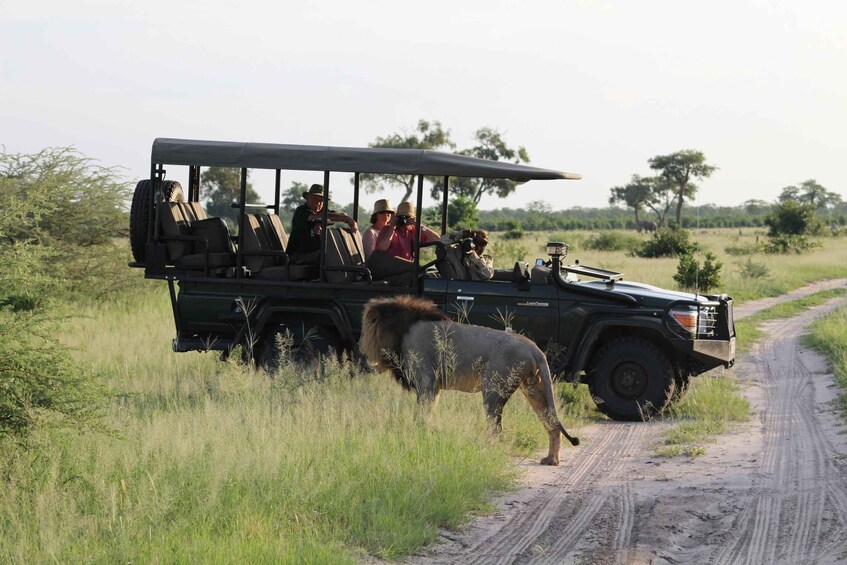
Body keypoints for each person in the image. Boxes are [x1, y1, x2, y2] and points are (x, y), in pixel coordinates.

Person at [366, 201, 440, 284]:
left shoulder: (413, 231)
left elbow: (437, 239)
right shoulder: (387, 229)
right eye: (400, 217)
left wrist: (420, 226)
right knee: (417, 268)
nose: (403, 220)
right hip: (383, 270)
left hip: (400, 273)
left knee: (422, 275)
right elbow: (381, 248)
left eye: (406, 217)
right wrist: (392, 227)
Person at [286, 184, 357, 264]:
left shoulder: (321, 213)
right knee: (329, 255)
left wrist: (347, 219)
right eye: (315, 199)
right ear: (308, 198)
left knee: (339, 251)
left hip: (313, 253)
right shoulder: (301, 211)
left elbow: (340, 215)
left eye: (321, 201)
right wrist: (346, 219)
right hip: (297, 256)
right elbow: (314, 217)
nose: (318, 203)